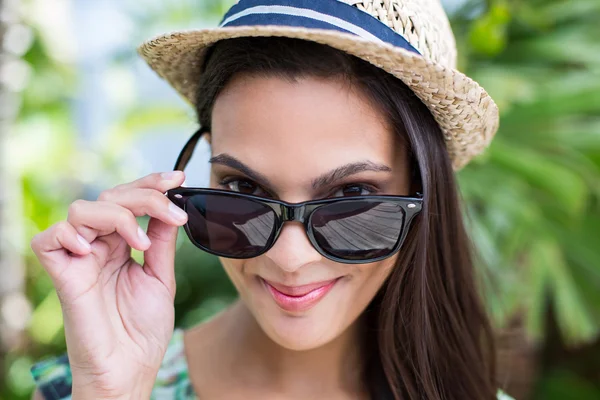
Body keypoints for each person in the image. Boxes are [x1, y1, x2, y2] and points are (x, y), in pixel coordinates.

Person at [29, 0, 515, 399]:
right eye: (244, 189)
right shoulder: (87, 387)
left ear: (424, 193)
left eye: (352, 195)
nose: (289, 257)